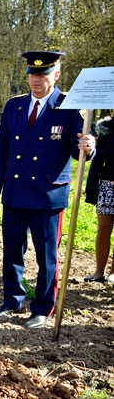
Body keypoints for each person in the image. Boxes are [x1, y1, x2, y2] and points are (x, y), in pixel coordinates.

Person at [0, 51, 96, 328]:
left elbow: (77, 146)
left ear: (56, 75)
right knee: (12, 250)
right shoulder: (15, 107)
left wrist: (88, 147)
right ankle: (12, 299)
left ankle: (43, 307)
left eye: (44, 73)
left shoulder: (69, 107)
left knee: (46, 256)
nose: (37, 79)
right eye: (33, 74)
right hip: (14, 190)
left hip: (47, 195)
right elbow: (2, 150)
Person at [86, 116, 114, 283]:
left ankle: (113, 273)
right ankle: (99, 271)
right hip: (107, 187)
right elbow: (97, 163)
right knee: (103, 230)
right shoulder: (107, 129)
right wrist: (91, 191)